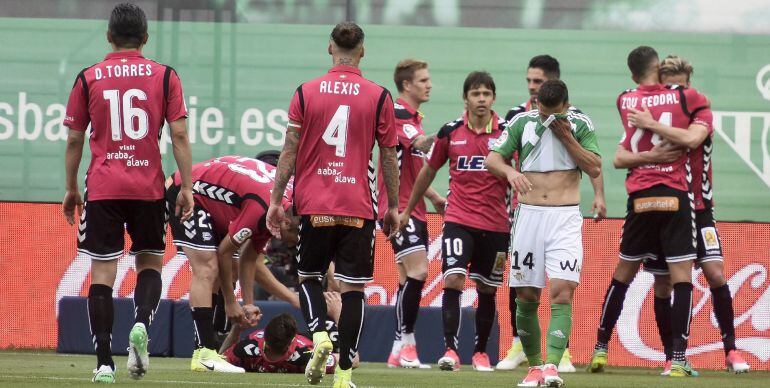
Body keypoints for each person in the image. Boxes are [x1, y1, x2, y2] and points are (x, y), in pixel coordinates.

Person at [62, 3, 193, 383]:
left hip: (103, 187)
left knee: (103, 272)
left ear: (109, 37)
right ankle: (140, 323)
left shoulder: (89, 77)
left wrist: (71, 187)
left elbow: (74, 139)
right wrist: (185, 185)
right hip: (148, 186)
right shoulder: (165, 76)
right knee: (149, 262)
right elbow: (180, 135)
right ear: (145, 38)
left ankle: (104, 363)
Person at [266, 22, 400, 388]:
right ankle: (344, 374)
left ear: (329, 49)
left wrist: (276, 201)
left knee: (309, 277)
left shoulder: (306, 93)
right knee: (353, 290)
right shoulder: (379, 96)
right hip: (358, 206)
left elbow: (289, 152)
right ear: (363, 51)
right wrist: (394, 206)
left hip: (315, 204)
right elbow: (388, 156)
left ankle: (320, 334)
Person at [619, 55, 749, 375]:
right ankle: (672, 355)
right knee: (664, 286)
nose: (676, 88)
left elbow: (691, 138)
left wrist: (652, 123)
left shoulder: (696, 113)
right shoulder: (660, 111)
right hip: (669, 208)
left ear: (688, 84)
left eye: (681, 83)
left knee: (715, 273)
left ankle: (731, 350)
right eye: (670, 82)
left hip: (700, 209)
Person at [588, 46, 711, 378]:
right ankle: (679, 358)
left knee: (623, 272)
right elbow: (690, 138)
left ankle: (600, 347)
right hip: (674, 195)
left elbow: (619, 156)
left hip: (640, 197)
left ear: (633, 75)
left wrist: (648, 128)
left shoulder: (626, 100)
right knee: (681, 277)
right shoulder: (689, 99)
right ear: (660, 70)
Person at [487, 80, 601, 387]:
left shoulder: (579, 124)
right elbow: (492, 158)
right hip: (529, 217)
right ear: (536, 104)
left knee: (562, 291)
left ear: (565, 106)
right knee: (525, 296)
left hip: (564, 218)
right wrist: (511, 172)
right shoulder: (522, 122)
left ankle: (552, 365)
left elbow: (594, 166)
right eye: (542, 110)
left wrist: (568, 139)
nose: (547, 117)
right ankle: (534, 367)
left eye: (554, 112)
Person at [401, 71, 510, 372]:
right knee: (453, 279)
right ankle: (450, 350)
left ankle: (480, 353)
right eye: (476, 94)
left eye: (486, 94)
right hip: (459, 219)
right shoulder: (450, 132)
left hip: (497, 226)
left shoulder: (506, 133)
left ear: (493, 99)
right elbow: (428, 171)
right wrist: (409, 208)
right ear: (466, 99)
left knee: (488, 289)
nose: (481, 99)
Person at [165, 155, 300, 373]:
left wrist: (248, 304)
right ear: (285, 223)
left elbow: (249, 257)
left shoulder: (281, 207)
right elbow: (224, 252)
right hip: (188, 191)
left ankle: (209, 352)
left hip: (218, 195)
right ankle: (203, 353)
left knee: (228, 272)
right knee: (208, 268)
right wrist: (230, 302)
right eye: (295, 240)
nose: (294, 245)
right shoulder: (263, 210)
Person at [382, 59, 446, 369]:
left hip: (413, 207)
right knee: (420, 272)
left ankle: (399, 348)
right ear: (407, 85)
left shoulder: (414, 117)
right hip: (395, 209)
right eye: (423, 80)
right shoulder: (398, 113)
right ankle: (405, 343)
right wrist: (450, 133)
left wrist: (433, 197)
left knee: (408, 277)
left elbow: (414, 162)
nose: (429, 84)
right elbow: (420, 144)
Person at [221, 292, 359, 373]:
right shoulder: (308, 356)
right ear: (291, 342)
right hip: (310, 342)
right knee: (327, 331)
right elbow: (353, 360)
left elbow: (220, 359)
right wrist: (338, 313)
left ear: (265, 336)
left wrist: (237, 328)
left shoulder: (248, 348)